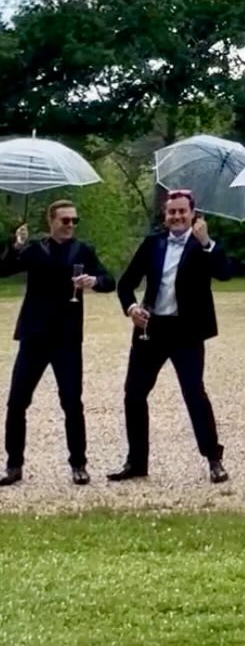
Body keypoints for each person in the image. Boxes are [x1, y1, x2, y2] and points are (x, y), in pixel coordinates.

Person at [108, 188, 230, 484]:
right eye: (171, 212)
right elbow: (125, 284)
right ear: (165, 216)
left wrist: (207, 242)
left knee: (194, 393)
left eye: (181, 212)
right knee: (134, 394)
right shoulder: (153, 244)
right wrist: (132, 308)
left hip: (187, 332)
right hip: (151, 329)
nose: (176, 216)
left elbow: (226, 272)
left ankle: (214, 459)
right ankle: (137, 462)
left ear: (193, 215)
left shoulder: (203, 246)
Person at [0, 200, 114, 487]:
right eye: (65, 220)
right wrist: (15, 246)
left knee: (72, 402)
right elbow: (3, 270)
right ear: (50, 221)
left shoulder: (83, 250)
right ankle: (14, 466)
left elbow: (109, 279)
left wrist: (94, 281)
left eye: (74, 220)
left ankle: (79, 464)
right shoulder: (35, 249)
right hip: (34, 336)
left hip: (67, 338)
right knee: (17, 402)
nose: (70, 225)